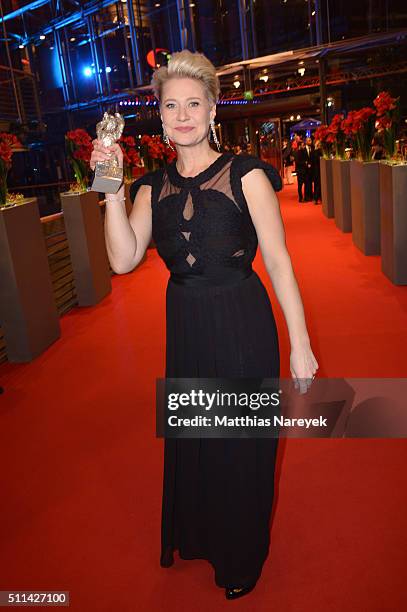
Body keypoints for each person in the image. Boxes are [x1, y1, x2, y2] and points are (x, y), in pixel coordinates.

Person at [90, 49, 318, 600]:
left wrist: (301, 345)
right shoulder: (148, 187)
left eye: (194, 104)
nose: (184, 115)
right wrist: (111, 188)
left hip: (242, 323)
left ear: (214, 109)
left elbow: (281, 262)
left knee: (241, 446)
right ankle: (200, 534)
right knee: (196, 439)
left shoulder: (247, 177)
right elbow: (122, 259)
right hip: (187, 327)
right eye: (172, 106)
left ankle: (241, 557)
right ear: (161, 116)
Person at [311, 139, 322, 204]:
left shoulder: (313, 152)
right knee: (318, 185)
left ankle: (316, 198)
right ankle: (316, 198)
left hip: (315, 170)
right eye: (319, 144)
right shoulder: (318, 152)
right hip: (317, 170)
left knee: (316, 185)